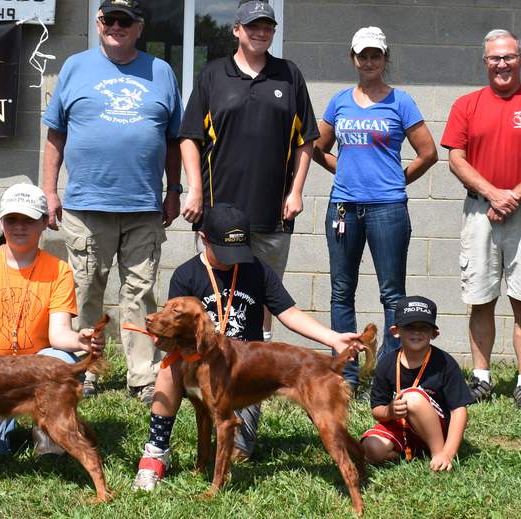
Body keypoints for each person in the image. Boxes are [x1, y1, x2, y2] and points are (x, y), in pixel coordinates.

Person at [133, 203, 364, 491]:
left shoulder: (255, 268)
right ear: (204, 238)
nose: (233, 260)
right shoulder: (186, 275)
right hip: (198, 363)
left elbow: (288, 313)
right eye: (225, 252)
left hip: (242, 373)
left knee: (239, 453)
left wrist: (332, 339)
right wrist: (159, 336)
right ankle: (155, 450)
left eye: (238, 251)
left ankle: (354, 457)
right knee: (169, 369)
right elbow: (172, 329)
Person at [41, 0, 182, 403]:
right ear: (99, 23)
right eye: (109, 21)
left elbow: (174, 140)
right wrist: (49, 191)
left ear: (139, 28)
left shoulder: (161, 72)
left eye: (125, 22)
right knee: (87, 291)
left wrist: (173, 191)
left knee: (141, 294)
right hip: (86, 207)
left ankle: (141, 376)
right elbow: (55, 135)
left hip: (143, 207)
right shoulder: (75, 67)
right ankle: (87, 369)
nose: (116, 28)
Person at [440, 29, 521, 412]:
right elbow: (456, 158)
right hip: (480, 210)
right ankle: (480, 379)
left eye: (509, 57)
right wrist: (495, 194)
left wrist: (513, 196)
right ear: (485, 62)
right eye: (495, 58)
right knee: (480, 298)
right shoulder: (467, 104)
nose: (502, 64)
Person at [0, 183, 105, 463]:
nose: (19, 227)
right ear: (1, 222)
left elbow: (59, 334)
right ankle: (22, 426)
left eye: (28, 220)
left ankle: (50, 439)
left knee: (59, 356)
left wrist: (80, 341)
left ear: (44, 223)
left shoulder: (58, 270)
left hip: (34, 372)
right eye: (12, 219)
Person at [179, 0, 318, 341]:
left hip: (272, 211)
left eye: (267, 27)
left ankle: (260, 358)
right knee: (217, 290)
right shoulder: (213, 74)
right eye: (253, 26)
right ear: (237, 30)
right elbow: (189, 137)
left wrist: (296, 190)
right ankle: (212, 358)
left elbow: (306, 141)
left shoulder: (289, 75)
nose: (260, 32)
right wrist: (194, 189)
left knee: (266, 292)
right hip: (218, 211)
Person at [312, 26, 438, 389]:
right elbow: (318, 148)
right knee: (341, 291)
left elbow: (428, 153)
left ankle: (389, 373)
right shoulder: (339, 101)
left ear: (385, 59)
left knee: (392, 294)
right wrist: (344, 170)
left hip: (388, 209)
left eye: (375, 55)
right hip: (343, 209)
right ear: (353, 59)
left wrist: (397, 181)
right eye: (362, 55)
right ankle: (346, 375)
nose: (368, 61)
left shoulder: (401, 102)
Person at [361, 296, 473, 472]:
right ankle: (413, 452)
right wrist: (390, 411)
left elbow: (459, 410)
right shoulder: (387, 363)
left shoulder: (445, 363)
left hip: (438, 431)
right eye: (409, 327)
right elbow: (377, 410)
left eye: (424, 328)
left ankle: (438, 456)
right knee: (371, 448)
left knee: (412, 397)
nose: (416, 332)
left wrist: (448, 452)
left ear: (434, 333)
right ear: (395, 331)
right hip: (402, 428)